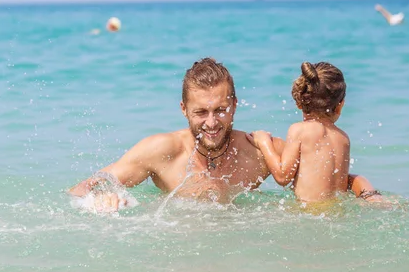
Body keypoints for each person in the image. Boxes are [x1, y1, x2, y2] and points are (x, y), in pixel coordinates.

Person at [69, 58, 382, 212]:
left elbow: (332, 174)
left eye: (220, 110)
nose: (211, 123)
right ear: (183, 109)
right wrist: (99, 199)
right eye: (200, 113)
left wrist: (369, 194)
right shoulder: (161, 150)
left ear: (234, 105)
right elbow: (81, 188)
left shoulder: (258, 151)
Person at [252, 61, 377, 203]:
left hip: (309, 215)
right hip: (337, 216)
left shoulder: (299, 130)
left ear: (299, 102)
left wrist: (264, 142)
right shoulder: (343, 138)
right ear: (340, 105)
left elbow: (282, 176)